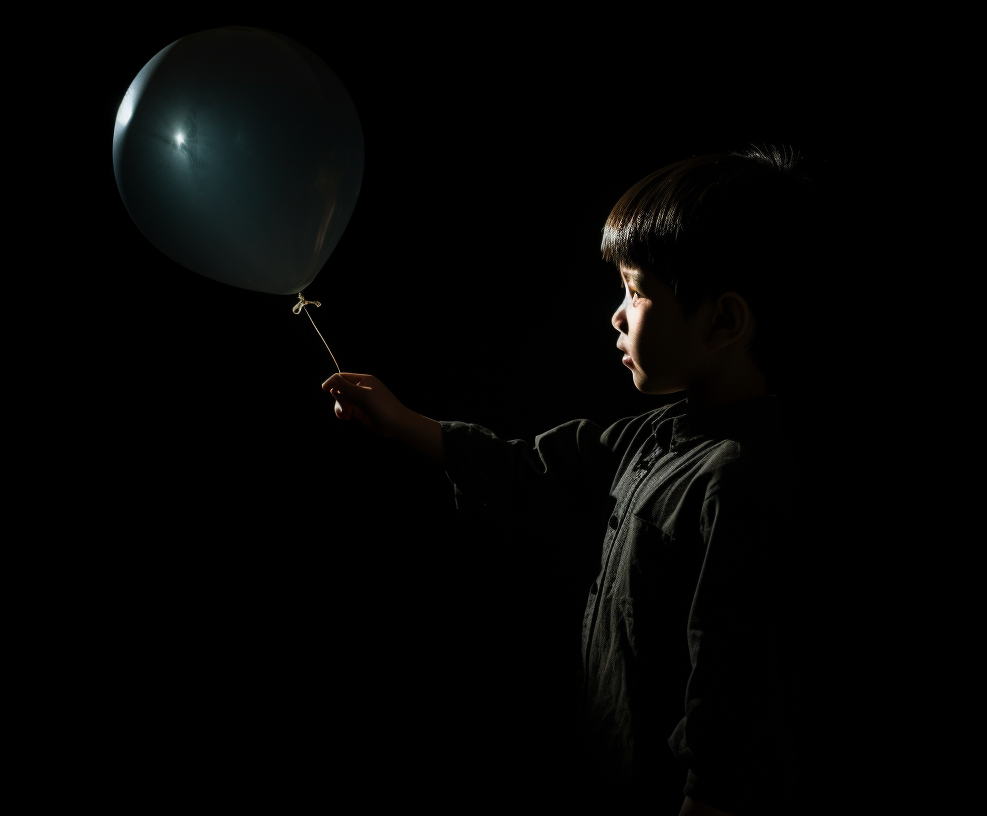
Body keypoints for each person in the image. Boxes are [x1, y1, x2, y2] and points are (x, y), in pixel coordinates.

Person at [321, 146, 821, 815]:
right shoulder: (656, 434)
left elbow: (730, 710)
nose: (617, 314)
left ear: (724, 320)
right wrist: (404, 422)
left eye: (638, 292)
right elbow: (532, 467)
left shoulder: (736, 483)